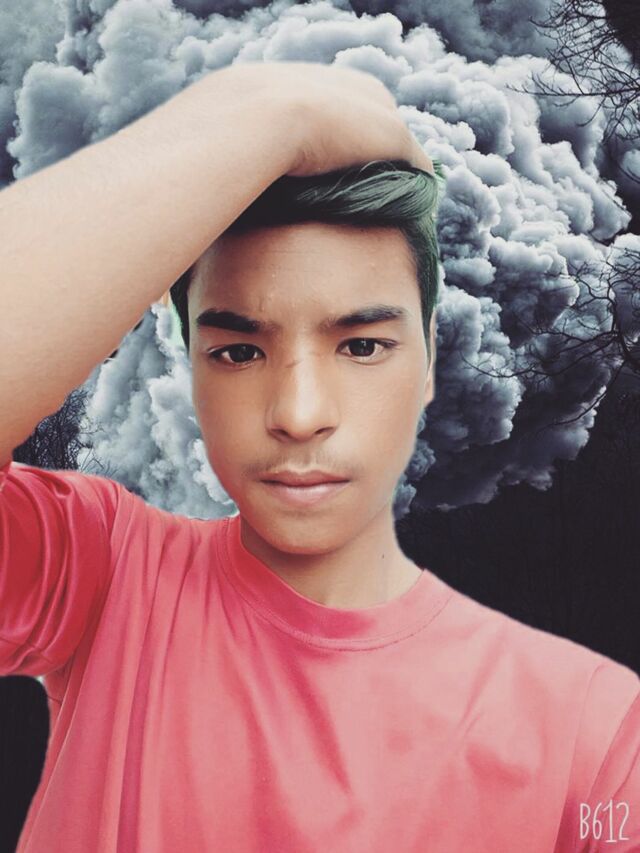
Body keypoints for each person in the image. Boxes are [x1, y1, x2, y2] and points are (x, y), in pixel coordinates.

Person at [0, 61, 638, 853]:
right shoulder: (98, 574)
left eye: (361, 344)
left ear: (431, 358)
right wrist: (274, 112)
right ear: (190, 367)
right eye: (238, 351)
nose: (299, 415)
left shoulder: (593, 732)